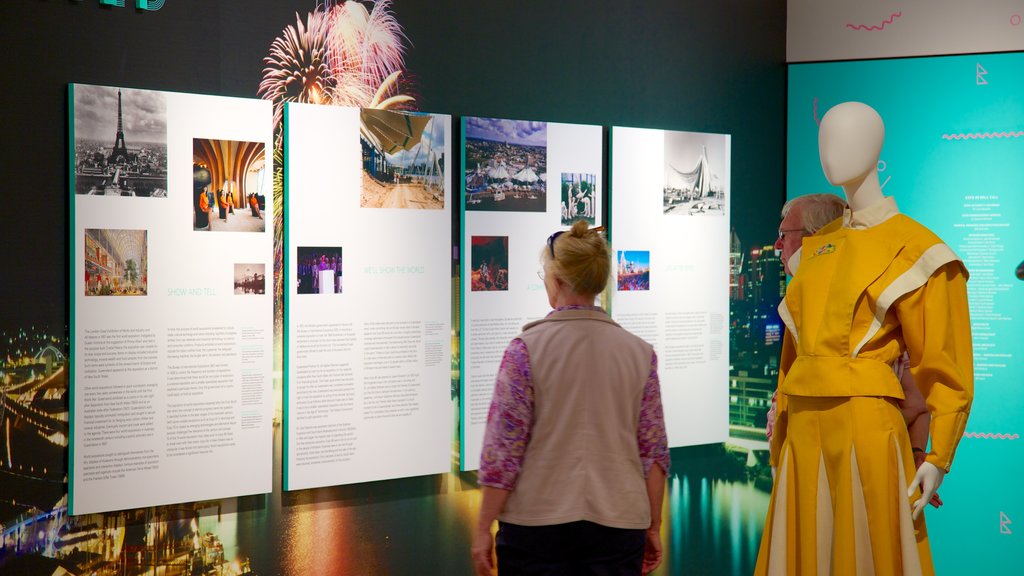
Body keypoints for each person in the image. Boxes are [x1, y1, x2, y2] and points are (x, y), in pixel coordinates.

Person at [755, 102, 973, 575]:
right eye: (825, 136)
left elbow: (945, 367)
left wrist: (937, 457)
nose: (831, 151)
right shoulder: (817, 249)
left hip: (866, 428)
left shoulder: (919, 249)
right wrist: (781, 437)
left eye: (847, 136)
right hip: (803, 434)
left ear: (876, 149)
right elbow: (792, 359)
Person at [472, 220, 670, 576]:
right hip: (619, 528)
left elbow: (503, 452)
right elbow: (653, 454)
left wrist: (482, 527)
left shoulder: (525, 351)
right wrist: (654, 525)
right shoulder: (640, 354)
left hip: (536, 530)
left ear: (557, 281)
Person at [766, 193, 943, 507]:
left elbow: (919, 401)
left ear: (816, 240)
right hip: (809, 465)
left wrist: (919, 455)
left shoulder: (874, 314)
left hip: (857, 468)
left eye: (783, 235)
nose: (778, 246)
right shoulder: (799, 305)